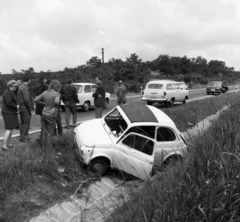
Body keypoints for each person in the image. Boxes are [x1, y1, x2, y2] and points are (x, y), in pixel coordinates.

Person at [34, 80, 61, 148]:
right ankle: (48, 149)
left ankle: (43, 147)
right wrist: (55, 107)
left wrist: (43, 103)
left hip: (44, 113)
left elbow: (35, 100)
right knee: (50, 133)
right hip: (51, 114)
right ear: (57, 86)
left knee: (44, 132)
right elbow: (57, 102)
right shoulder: (57, 94)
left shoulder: (45, 92)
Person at [1, 80, 20, 151]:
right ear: (10, 86)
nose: (15, 88)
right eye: (14, 87)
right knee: (9, 129)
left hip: (11, 112)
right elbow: (9, 103)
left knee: (11, 128)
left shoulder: (10, 92)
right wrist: (16, 106)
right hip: (8, 112)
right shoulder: (7, 93)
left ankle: (9, 143)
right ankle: (4, 145)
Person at [18, 75, 34, 142]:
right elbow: (26, 99)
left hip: (21, 107)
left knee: (22, 123)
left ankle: (23, 137)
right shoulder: (24, 87)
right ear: (29, 80)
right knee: (26, 122)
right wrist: (30, 109)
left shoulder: (20, 86)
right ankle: (23, 138)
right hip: (25, 108)